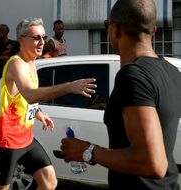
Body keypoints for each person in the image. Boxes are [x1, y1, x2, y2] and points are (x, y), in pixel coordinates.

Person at [60, 0, 181, 189]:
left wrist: (88, 151)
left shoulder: (133, 76)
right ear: (154, 30)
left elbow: (152, 163)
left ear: (115, 29)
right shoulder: (172, 72)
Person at [0, 17, 97, 190]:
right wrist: (69, 87)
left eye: (43, 37)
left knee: (49, 182)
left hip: (27, 138)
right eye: (36, 37)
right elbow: (30, 95)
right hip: (8, 141)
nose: (41, 42)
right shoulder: (16, 64)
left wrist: (37, 113)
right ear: (21, 40)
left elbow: (23, 98)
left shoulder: (31, 63)